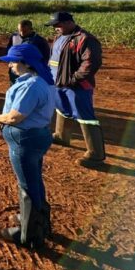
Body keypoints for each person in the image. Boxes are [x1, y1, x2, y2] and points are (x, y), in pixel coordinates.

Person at [0, 44, 54, 249]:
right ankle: (40, 222)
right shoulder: (39, 81)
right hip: (34, 138)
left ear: (26, 63)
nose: (9, 65)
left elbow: (15, 116)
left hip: (26, 140)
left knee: (27, 186)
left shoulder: (31, 85)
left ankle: (28, 235)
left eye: (13, 61)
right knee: (34, 180)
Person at [46, 11, 106, 167]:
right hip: (58, 83)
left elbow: (90, 63)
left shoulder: (85, 39)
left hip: (76, 86)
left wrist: (73, 80)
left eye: (57, 25)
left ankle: (95, 154)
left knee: (85, 115)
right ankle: (61, 136)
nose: (55, 29)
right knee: (62, 108)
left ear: (67, 22)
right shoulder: (60, 37)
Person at [6, 20, 50, 84]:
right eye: (19, 30)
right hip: (14, 71)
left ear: (31, 29)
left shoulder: (39, 41)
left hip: (30, 73)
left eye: (24, 31)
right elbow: (9, 50)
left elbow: (45, 58)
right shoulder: (15, 37)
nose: (21, 33)